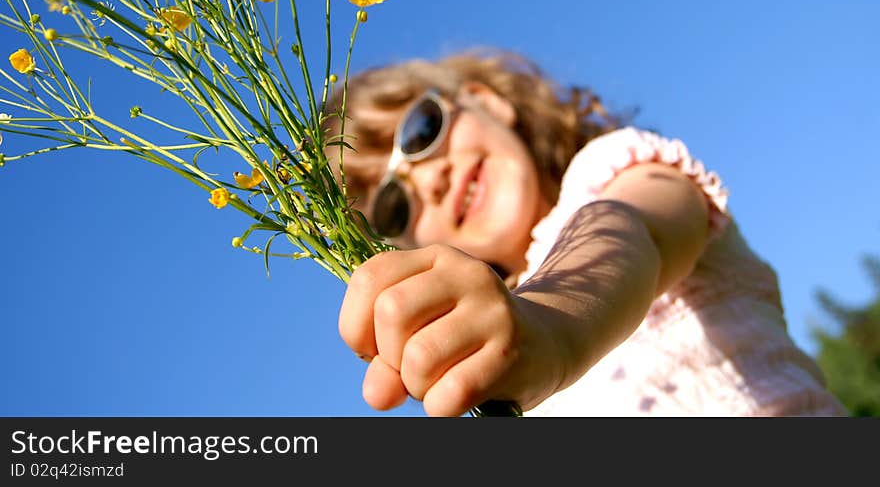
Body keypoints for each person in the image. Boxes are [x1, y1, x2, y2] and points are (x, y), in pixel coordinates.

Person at [323, 47, 846, 417]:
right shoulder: (489, 367)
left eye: (421, 131)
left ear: (487, 100)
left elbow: (628, 230)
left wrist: (548, 327)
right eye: (393, 203)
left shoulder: (614, 175)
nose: (428, 179)